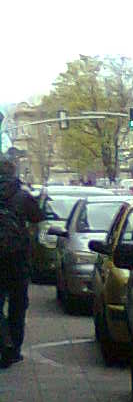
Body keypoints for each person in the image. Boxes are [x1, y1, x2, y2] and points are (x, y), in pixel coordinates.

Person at [0, 156, 46, 368]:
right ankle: (13, 349)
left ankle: (4, 339)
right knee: (18, 303)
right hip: (17, 257)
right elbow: (38, 218)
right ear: (13, 173)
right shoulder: (22, 195)